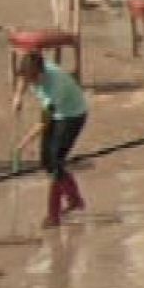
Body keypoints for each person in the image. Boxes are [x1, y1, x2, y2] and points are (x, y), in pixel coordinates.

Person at [11, 51, 88, 228]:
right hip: (55, 116)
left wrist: (23, 144)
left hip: (72, 116)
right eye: (29, 79)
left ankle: (53, 215)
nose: (32, 83)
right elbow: (22, 78)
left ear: (42, 72)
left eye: (34, 79)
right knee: (46, 161)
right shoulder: (29, 73)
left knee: (56, 163)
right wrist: (18, 97)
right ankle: (75, 199)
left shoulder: (56, 86)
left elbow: (43, 122)